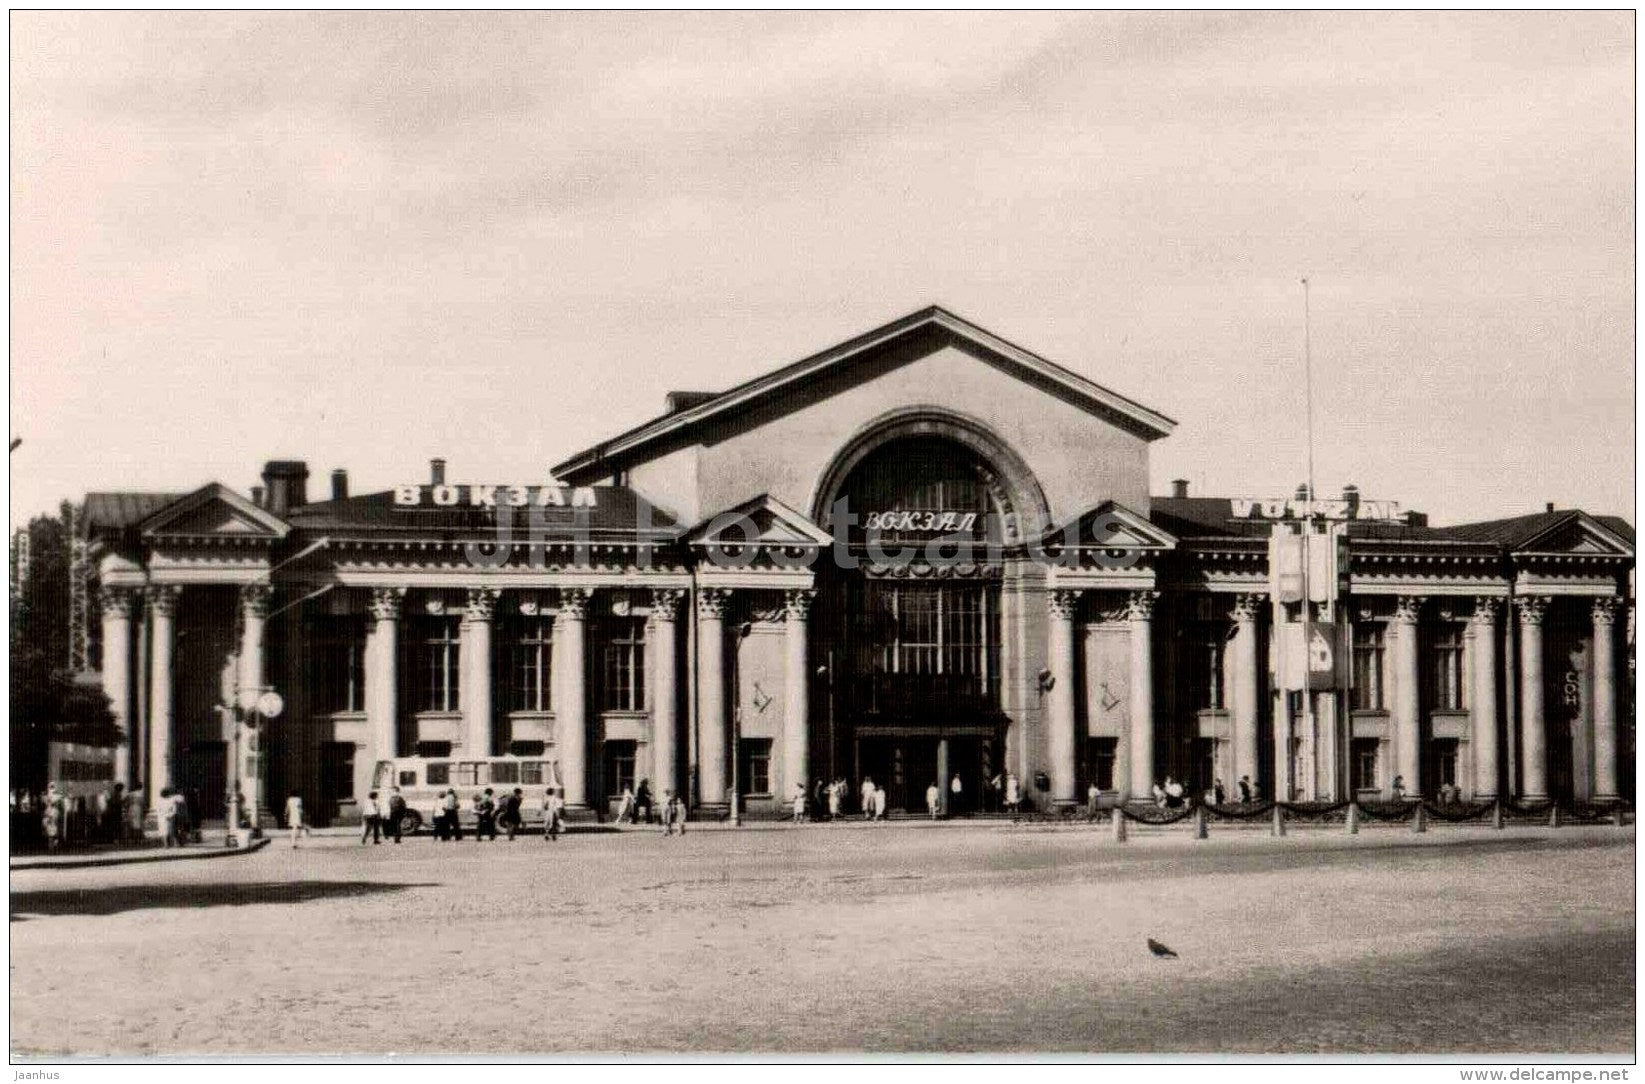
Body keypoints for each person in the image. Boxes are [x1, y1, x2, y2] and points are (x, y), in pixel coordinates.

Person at [41, 782, 65, 852]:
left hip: (51, 814)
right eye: (51, 787)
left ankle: (52, 846)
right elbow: (61, 808)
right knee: (52, 831)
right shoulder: (58, 797)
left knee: (52, 831)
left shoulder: (46, 797)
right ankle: (53, 846)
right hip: (53, 814)